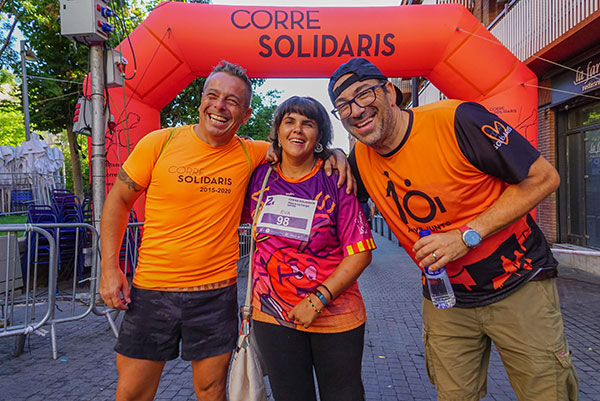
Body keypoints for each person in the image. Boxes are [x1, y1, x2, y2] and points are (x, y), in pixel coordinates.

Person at [99, 61, 351, 401]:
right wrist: (109, 268)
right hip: (152, 291)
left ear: (246, 115)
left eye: (232, 101)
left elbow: (297, 148)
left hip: (215, 295)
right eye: (213, 96)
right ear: (201, 100)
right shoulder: (160, 142)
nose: (220, 106)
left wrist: (335, 153)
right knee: (132, 393)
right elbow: (118, 202)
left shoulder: (252, 153)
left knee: (212, 391)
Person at [328, 58, 579, 401]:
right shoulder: (359, 160)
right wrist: (332, 153)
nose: (356, 110)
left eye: (363, 94)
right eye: (343, 106)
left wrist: (465, 236)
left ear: (389, 91)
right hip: (445, 299)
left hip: (519, 284)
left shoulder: (457, 119)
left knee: (547, 394)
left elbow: (543, 178)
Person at [243, 96, 375, 401]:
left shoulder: (335, 179)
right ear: (277, 130)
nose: (297, 130)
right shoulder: (259, 177)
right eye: (289, 122)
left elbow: (361, 252)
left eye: (308, 124)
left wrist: (316, 300)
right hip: (273, 315)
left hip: (334, 314)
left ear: (320, 135)